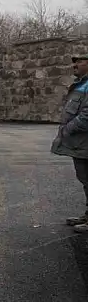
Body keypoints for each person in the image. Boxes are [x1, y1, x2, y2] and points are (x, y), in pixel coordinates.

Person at [53, 53, 88, 233]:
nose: (74, 65)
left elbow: (86, 116)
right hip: (81, 144)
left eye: (79, 61)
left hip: (84, 142)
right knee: (85, 179)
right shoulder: (81, 84)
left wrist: (67, 129)